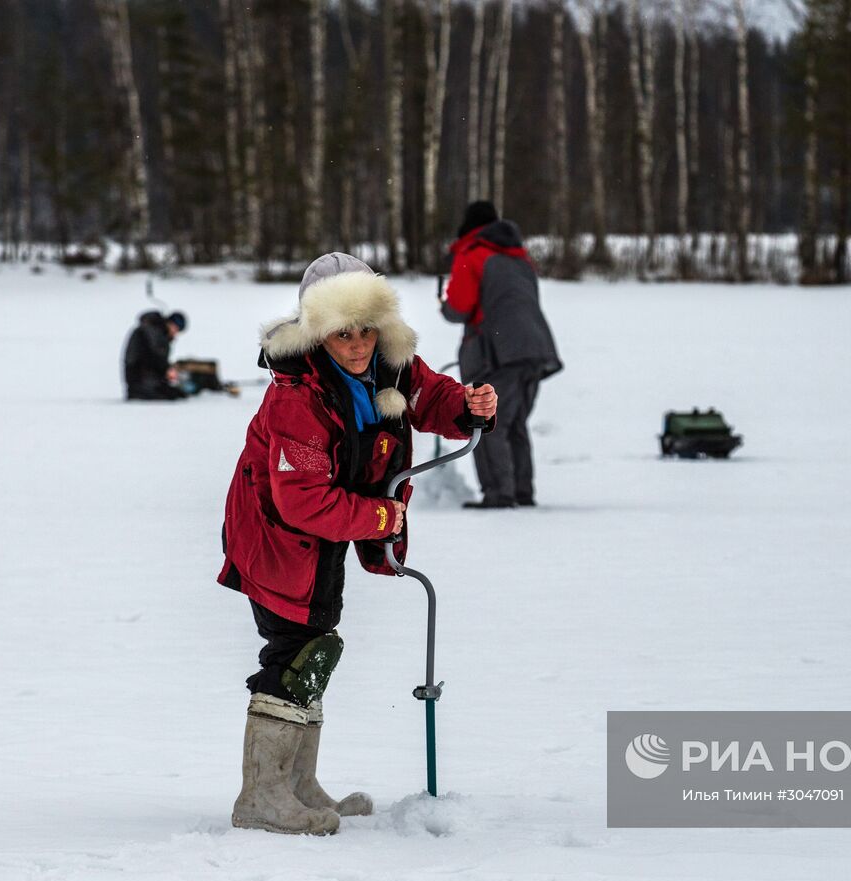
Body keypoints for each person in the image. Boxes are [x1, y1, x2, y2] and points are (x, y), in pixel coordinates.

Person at [218, 252, 497, 835]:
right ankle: (262, 796)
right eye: (342, 331)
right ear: (319, 330)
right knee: (296, 652)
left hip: (326, 533)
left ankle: (296, 784)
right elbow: (300, 501)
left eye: (366, 327)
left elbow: (429, 396)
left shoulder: (389, 363)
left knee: (318, 642)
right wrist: (380, 517)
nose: (357, 343)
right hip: (276, 535)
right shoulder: (297, 397)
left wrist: (468, 408)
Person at [441, 201, 562, 509]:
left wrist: (444, 304)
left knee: (487, 421)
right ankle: (522, 491)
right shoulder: (519, 257)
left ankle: (499, 494)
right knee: (515, 423)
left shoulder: (472, 254)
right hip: (534, 349)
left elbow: (459, 307)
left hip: (496, 353)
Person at [123, 309, 188, 400]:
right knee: (173, 395)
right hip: (141, 382)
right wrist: (167, 370)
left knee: (177, 393)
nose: (175, 333)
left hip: (144, 381)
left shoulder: (154, 330)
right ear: (169, 323)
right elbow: (155, 358)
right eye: (175, 328)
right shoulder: (152, 331)